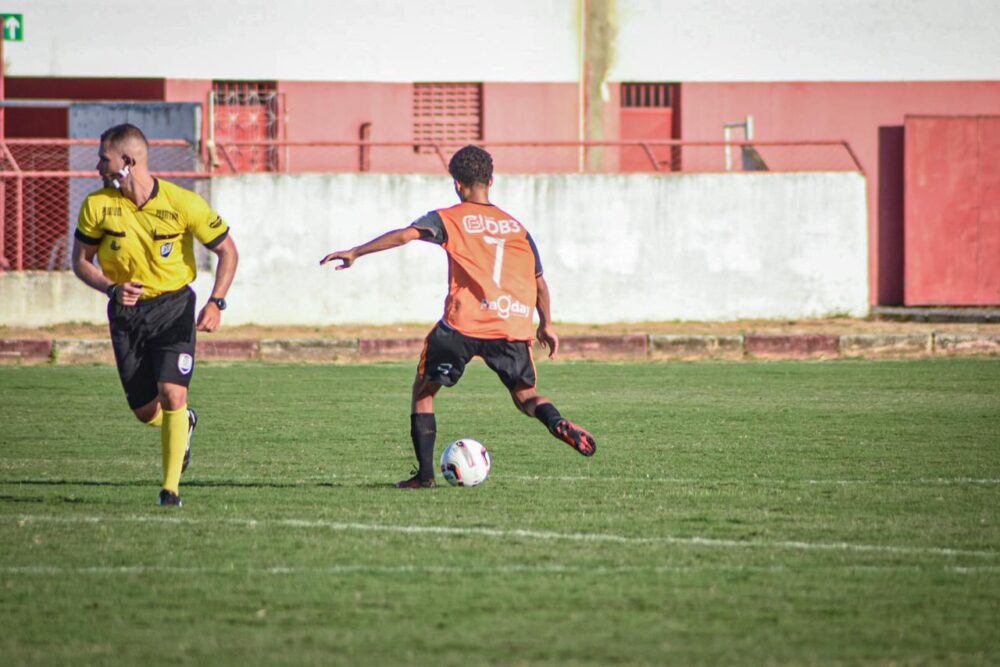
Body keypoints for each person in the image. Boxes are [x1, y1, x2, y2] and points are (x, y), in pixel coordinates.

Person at [320, 144, 596, 488]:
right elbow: (539, 282)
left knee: (424, 390)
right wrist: (547, 324)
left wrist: (357, 251)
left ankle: (424, 477)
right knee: (527, 396)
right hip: (511, 325)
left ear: (457, 184)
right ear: (491, 181)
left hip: (464, 324)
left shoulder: (449, 218)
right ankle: (555, 422)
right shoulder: (516, 228)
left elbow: (406, 236)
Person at [71, 123, 239, 507]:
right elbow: (80, 262)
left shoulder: (183, 203)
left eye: (104, 159)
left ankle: (170, 490)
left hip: (174, 309)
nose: (98, 167)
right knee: (146, 411)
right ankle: (184, 425)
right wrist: (112, 288)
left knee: (173, 393)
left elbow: (228, 251)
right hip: (126, 315)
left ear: (127, 161)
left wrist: (216, 302)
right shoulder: (97, 205)